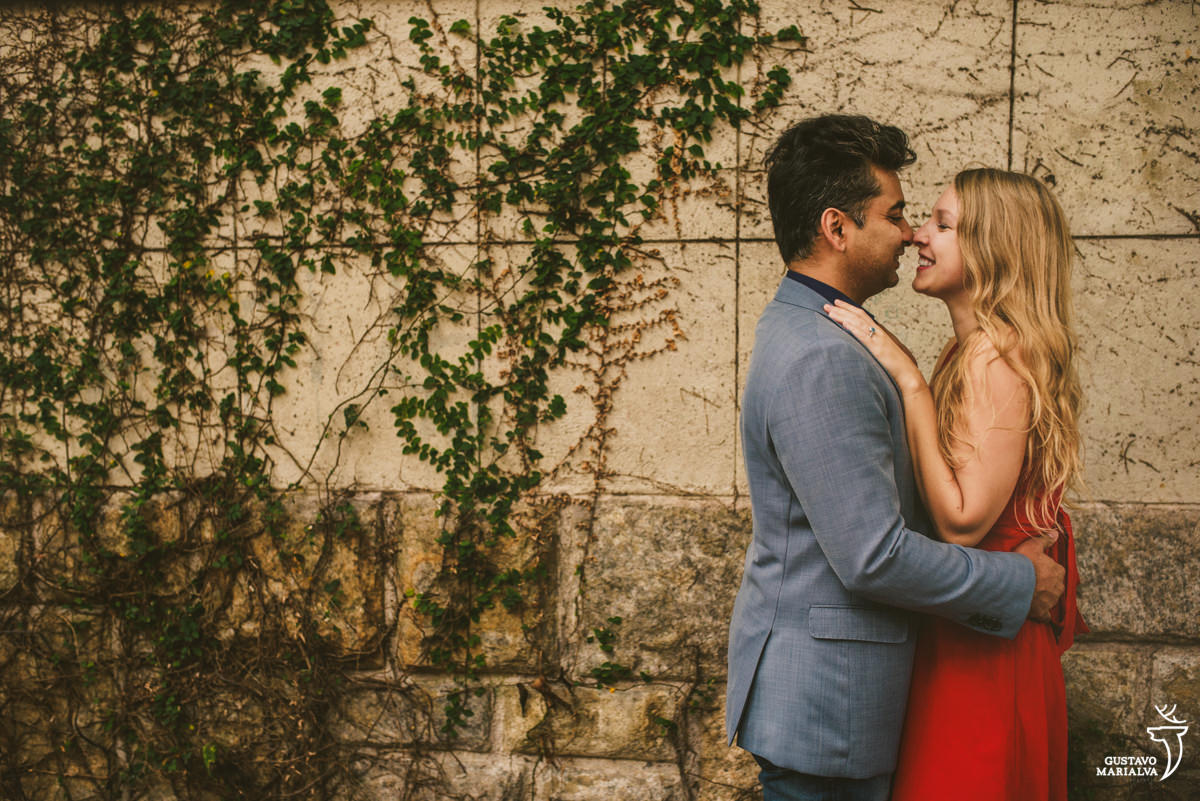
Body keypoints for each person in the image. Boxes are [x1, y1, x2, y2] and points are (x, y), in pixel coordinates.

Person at [725, 115, 1066, 801]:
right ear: (837, 228)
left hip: (858, 693)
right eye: (898, 214)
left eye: (931, 221)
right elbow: (873, 556)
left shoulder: (822, 332)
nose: (910, 233)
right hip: (831, 707)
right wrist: (1019, 583)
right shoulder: (823, 353)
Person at [825, 168, 1087, 801]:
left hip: (986, 646)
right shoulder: (970, 351)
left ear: (994, 249)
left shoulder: (994, 357)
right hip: (973, 620)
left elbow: (963, 521)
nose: (918, 234)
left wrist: (909, 382)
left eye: (942, 225)